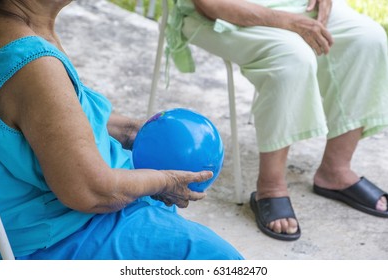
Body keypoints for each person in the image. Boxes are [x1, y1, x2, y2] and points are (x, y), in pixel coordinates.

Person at [0, 0, 244, 260]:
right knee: (220, 259)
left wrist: (130, 130)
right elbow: (92, 191)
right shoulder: (32, 64)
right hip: (64, 233)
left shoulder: (22, 28)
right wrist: (164, 182)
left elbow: (52, 116)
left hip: (64, 217)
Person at [165, 0, 388, 241]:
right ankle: (270, 186)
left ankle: (336, 169)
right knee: (293, 59)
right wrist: (288, 21)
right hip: (222, 11)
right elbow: (210, 5)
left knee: (368, 39)